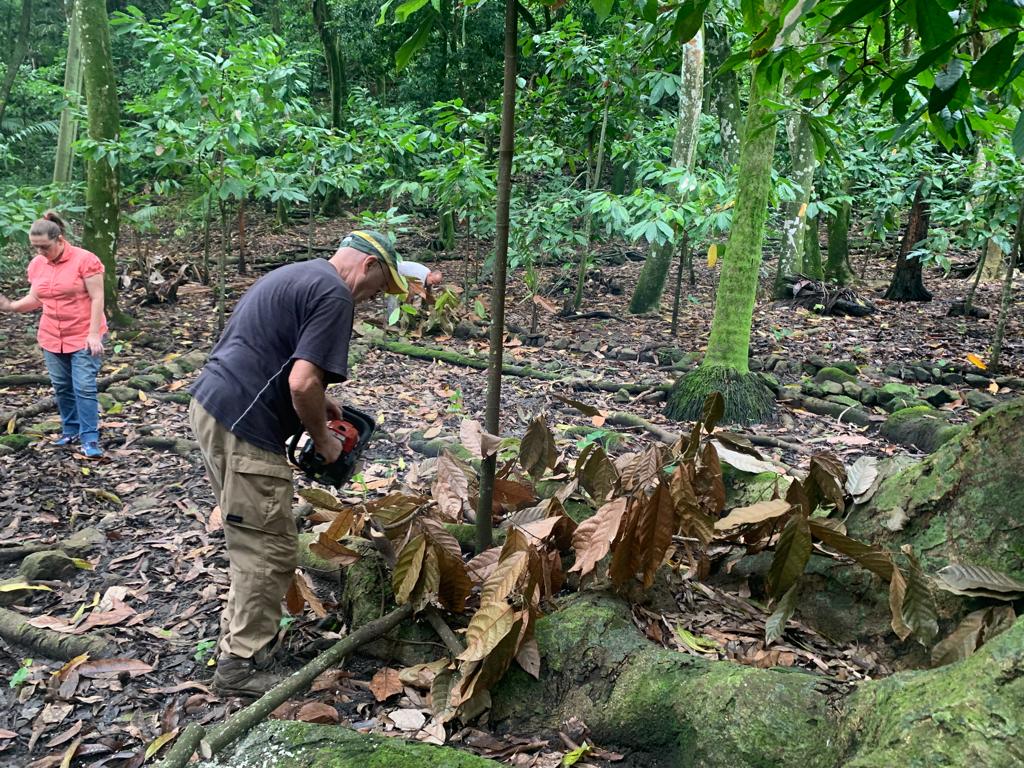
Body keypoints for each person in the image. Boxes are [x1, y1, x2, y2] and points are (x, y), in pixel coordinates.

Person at [188, 229, 407, 698]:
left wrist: (319, 404)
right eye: (379, 288)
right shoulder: (335, 294)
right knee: (269, 550)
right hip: (246, 427)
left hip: (214, 406)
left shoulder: (300, 274)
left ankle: (242, 642)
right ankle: (241, 668)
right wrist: (323, 438)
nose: (371, 300)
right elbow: (302, 382)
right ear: (368, 265)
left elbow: (275, 355)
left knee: (251, 538)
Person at [0, 212, 107, 458]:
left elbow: (97, 297)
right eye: (35, 247)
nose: (40, 252)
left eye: (44, 247)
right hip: (51, 335)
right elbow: (36, 298)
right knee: (61, 386)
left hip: (83, 333)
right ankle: (70, 430)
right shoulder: (37, 264)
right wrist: (12, 306)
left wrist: (93, 334)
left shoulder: (85, 260)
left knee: (84, 386)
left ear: (59, 240)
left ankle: (90, 438)